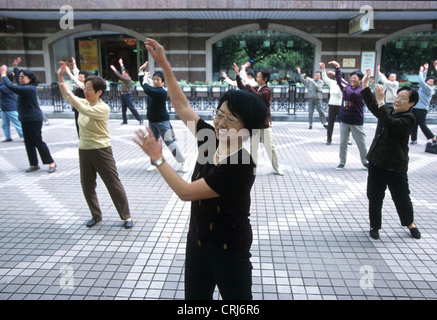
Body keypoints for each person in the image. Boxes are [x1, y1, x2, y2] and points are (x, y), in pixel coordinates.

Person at [134, 38, 268, 300]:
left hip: (230, 249)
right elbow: (183, 108)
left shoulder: (240, 164)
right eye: (219, 113)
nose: (220, 121)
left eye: (230, 118)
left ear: (247, 128)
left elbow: (185, 192)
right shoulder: (211, 140)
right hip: (197, 242)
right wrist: (164, 65)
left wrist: (158, 159)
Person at [57, 62, 133, 229]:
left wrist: (70, 91)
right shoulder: (84, 102)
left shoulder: (103, 108)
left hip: (101, 149)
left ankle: (126, 216)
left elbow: (83, 110)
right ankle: (95, 215)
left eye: (88, 88)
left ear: (99, 92)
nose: (85, 90)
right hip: (84, 149)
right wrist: (60, 77)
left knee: (113, 183)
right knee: (87, 184)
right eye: (85, 87)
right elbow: (68, 97)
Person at [361, 68, 421, 240]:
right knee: (374, 195)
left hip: (395, 165)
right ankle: (374, 225)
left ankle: (410, 223)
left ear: (411, 104)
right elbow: (374, 105)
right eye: (397, 97)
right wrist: (365, 84)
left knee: (401, 196)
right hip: (377, 161)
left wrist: (381, 102)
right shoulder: (388, 109)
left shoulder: (409, 118)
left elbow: (391, 124)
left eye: (402, 98)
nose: (397, 100)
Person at [1, 58, 56, 173]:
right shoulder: (24, 87)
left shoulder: (30, 88)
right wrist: (15, 67)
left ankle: (51, 162)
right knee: (28, 142)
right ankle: (34, 164)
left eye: (22, 77)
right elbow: (16, 81)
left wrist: (3, 75)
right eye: (20, 77)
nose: (20, 78)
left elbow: (11, 87)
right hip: (25, 118)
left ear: (30, 78)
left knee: (37, 141)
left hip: (34, 119)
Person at [234, 63, 284, 175]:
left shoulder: (267, 91)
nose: (257, 78)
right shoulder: (256, 88)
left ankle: (276, 167)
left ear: (265, 79)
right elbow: (242, 87)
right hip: (255, 124)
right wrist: (238, 75)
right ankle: (252, 168)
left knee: (270, 147)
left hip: (265, 124)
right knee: (253, 148)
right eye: (257, 77)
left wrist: (248, 86)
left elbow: (258, 96)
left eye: (259, 77)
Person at [138, 61, 188, 173]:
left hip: (162, 122)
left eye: (158, 80)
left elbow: (146, 88)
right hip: (152, 122)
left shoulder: (161, 92)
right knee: (153, 144)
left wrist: (145, 78)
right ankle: (154, 163)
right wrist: (141, 72)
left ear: (162, 83)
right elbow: (143, 84)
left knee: (170, 143)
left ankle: (183, 162)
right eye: (154, 79)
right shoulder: (152, 89)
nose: (155, 81)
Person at [330, 61, 368, 170]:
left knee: (361, 143)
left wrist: (345, 85)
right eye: (351, 78)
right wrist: (337, 68)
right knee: (343, 143)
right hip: (344, 120)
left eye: (355, 78)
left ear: (360, 80)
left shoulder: (361, 90)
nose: (352, 79)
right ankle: (342, 162)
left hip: (356, 121)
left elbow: (352, 94)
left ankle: (365, 162)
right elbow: (339, 80)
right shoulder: (348, 86)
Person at [110, 58, 143, 125]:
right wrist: (121, 64)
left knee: (131, 107)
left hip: (128, 95)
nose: (122, 73)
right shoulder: (125, 76)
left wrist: (114, 70)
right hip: (123, 95)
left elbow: (119, 75)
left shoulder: (127, 79)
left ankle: (140, 119)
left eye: (124, 73)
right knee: (123, 109)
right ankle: (125, 121)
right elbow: (123, 71)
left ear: (126, 74)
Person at [410, 63, 437, 145]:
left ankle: (433, 137)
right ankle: (414, 139)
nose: (429, 82)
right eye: (429, 81)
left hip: (422, 109)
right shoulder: (423, 86)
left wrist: (420, 71)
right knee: (414, 124)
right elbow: (423, 80)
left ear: (433, 84)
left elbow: (421, 81)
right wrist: (425, 70)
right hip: (415, 107)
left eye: (432, 82)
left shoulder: (429, 89)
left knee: (422, 124)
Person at [64, 57, 88, 137]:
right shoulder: (81, 82)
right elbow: (76, 74)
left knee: (82, 124)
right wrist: (74, 64)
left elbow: (76, 80)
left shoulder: (84, 85)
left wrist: (68, 72)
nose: (79, 78)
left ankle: (84, 138)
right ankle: (80, 138)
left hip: (83, 107)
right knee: (78, 123)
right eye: (79, 77)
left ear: (85, 79)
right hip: (77, 107)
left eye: (81, 77)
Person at [320, 62, 343, 145]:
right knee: (330, 123)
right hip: (332, 105)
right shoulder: (332, 83)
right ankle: (329, 139)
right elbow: (325, 78)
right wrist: (323, 68)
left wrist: (338, 75)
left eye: (338, 76)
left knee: (343, 124)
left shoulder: (343, 84)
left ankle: (347, 139)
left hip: (340, 106)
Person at [0, 71, 23, 142]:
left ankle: (24, 136)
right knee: (4, 124)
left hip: (11, 108)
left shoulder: (8, 87)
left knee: (17, 123)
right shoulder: (4, 85)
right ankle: (8, 137)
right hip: (4, 108)